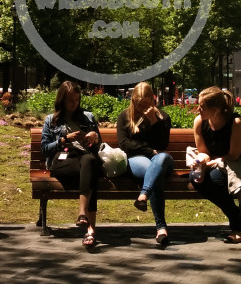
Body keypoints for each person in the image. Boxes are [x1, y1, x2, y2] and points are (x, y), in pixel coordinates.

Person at [191, 86, 241, 244]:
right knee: (194, 178)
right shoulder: (200, 122)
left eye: (202, 106)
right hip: (216, 163)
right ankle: (237, 217)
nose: (197, 109)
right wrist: (201, 162)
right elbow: (203, 152)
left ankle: (237, 226)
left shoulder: (236, 123)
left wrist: (209, 164)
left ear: (215, 109)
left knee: (215, 180)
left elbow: (233, 155)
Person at [40, 80, 102, 249]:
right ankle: (90, 230)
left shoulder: (88, 118)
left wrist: (94, 138)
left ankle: (82, 215)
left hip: (84, 158)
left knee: (89, 162)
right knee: (90, 175)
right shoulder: (51, 120)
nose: (74, 104)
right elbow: (45, 149)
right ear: (62, 100)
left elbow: (99, 147)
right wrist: (64, 139)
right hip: (63, 159)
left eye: (76, 100)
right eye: (70, 100)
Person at [116, 81, 173, 247]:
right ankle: (161, 229)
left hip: (162, 161)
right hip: (138, 160)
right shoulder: (125, 117)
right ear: (133, 101)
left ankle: (144, 195)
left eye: (146, 104)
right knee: (152, 170)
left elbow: (162, 145)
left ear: (153, 100)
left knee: (161, 159)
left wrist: (154, 122)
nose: (143, 108)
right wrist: (149, 151)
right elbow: (124, 144)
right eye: (139, 105)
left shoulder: (163, 117)